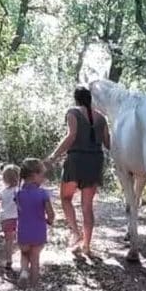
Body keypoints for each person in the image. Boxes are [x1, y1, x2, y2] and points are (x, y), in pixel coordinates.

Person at [47, 86, 110, 256]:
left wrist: (53, 156)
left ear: (76, 99)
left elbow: (71, 135)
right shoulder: (102, 118)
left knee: (66, 198)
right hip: (95, 161)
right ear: (90, 99)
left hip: (76, 161)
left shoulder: (73, 112)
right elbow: (108, 144)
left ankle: (75, 233)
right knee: (87, 205)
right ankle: (87, 245)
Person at [15, 158, 55, 291]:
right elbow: (51, 214)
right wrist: (49, 221)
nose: (44, 178)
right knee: (35, 261)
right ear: (34, 176)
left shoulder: (18, 194)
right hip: (38, 233)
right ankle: (33, 288)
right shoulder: (43, 194)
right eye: (42, 175)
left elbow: (20, 210)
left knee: (24, 253)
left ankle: (24, 271)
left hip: (23, 232)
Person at [0, 164, 20, 272]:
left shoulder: (2, 192)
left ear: (4, 179)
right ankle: (23, 255)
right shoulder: (20, 191)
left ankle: (9, 260)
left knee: (8, 240)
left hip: (6, 219)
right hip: (19, 219)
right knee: (20, 238)